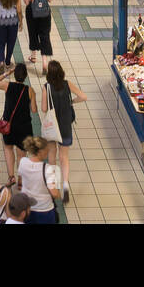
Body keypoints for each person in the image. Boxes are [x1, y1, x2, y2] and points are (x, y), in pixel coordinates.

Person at [43, 60, 88, 203]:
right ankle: (66, 185)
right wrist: (71, 102)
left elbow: (44, 109)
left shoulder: (46, 87)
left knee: (52, 156)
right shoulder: (67, 84)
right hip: (65, 126)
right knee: (64, 157)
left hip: (52, 127)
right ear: (61, 71)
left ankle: (52, 186)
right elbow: (83, 97)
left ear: (49, 74)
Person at [0, 63, 38, 181]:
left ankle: (11, 177)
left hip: (9, 126)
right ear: (25, 76)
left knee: (8, 149)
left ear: (14, 75)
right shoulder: (30, 90)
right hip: (24, 127)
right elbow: (34, 110)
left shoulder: (8, 86)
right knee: (21, 155)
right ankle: (20, 180)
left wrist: (7, 73)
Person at [17, 136, 61, 224]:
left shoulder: (23, 162)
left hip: (27, 208)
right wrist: (59, 192)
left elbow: (20, 182)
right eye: (47, 150)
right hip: (44, 211)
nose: (48, 152)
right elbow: (54, 194)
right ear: (40, 152)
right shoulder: (47, 169)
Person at [24, 0, 54, 72]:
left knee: (33, 33)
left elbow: (27, 2)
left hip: (32, 13)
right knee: (44, 35)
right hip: (45, 14)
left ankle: (33, 56)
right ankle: (45, 62)